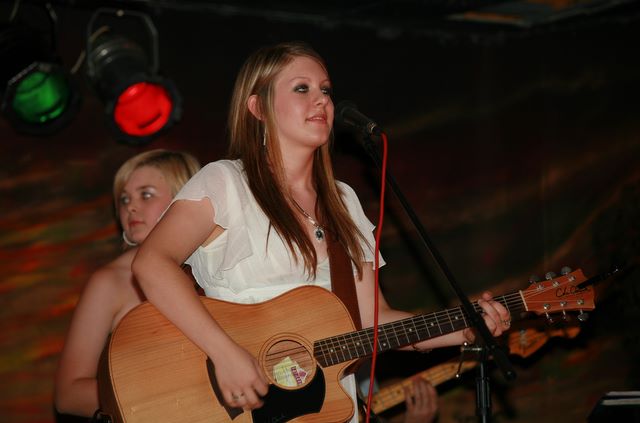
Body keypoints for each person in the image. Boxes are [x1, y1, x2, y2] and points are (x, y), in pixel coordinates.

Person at [132, 41, 511, 422]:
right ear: (258, 108)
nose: (322, 101)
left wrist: (464, 330)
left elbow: (372, 320)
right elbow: (151, 264)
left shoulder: (343, 202)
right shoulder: (226, 182)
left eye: (326, 90)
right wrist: (225, 354)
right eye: (302, 88)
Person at [54, 149, 201, 418]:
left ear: (183, 197)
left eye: (146, 195)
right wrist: (159, 401)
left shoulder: (219, 269)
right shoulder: (110, 281)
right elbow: (68, 394)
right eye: (124, 199)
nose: (130, 206)